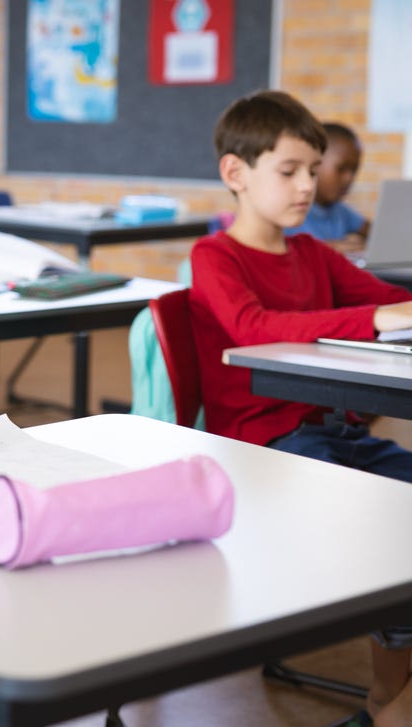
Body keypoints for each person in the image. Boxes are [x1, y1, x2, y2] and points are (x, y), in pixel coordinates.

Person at [190, 89, 412, 727]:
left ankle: (386, 699)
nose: (308, 186)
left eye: (313, 171)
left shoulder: (313, 253)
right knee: (392, 520)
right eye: (289, 171)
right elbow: (252, 325)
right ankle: (387, 701)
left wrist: (389, 308)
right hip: (265, 452)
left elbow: (390, 297)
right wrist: (374, 316)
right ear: (236, 174)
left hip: (331, 433)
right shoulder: (215, 256)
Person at [285, 121, 370, 254]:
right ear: (315, 164)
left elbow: (374, 232)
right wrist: (327, 250)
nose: (349, 178)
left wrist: (361, 244)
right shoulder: (289, 210)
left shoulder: (340, 210)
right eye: (341, 169)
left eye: (354, 170)